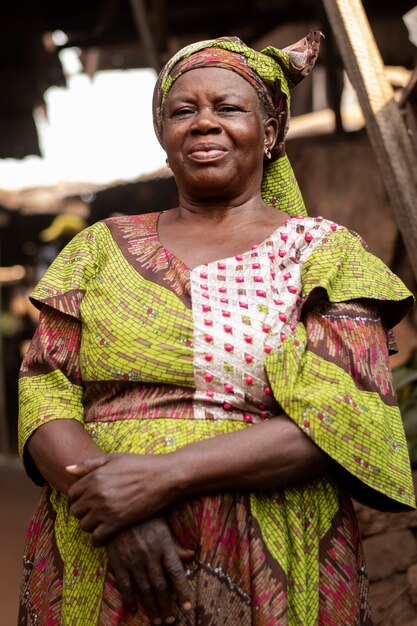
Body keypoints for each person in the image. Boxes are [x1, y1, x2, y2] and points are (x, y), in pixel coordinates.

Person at [18, 33, 415, 626]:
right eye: (183, 110)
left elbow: (343, 413)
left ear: (272, 132)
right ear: (164, 135)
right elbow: (44, 387)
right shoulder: (98, 249)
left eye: (228, 108)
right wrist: (114, 512)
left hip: (276, 547)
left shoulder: (325, 254)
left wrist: (156, 481)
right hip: (100, 547)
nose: (205, 123)